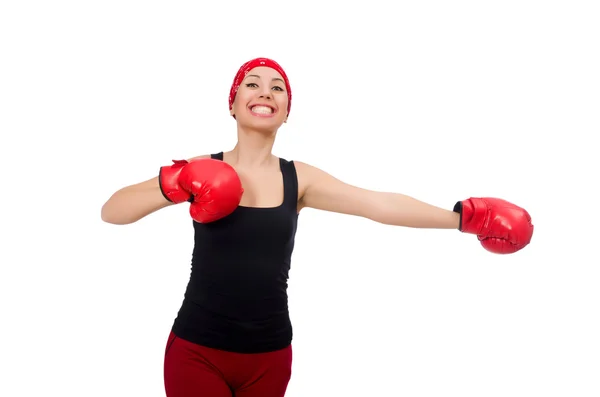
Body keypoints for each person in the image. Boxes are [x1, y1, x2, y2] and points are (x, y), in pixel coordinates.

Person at [100, 57, 534, 397]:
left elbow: (375, 204)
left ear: (287, 111)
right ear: (232, 103)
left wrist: (463, 218)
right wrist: (176, 182)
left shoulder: (298, 179)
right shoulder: (202, 169)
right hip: (197, 351)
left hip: (270, 356)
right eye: (252, 83)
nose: (265, 91)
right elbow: (112, 211)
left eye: (278, 87)